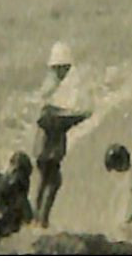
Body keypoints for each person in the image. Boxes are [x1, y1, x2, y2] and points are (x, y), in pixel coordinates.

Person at [31, 42, 91, 228]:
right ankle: (42, 220)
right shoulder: (54, 88)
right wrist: (79, 116)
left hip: (42, 144)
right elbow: (55, 116)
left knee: (44, 180)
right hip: (50, 145)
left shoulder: (49, 86)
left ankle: (37, 218)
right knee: (53, 181)